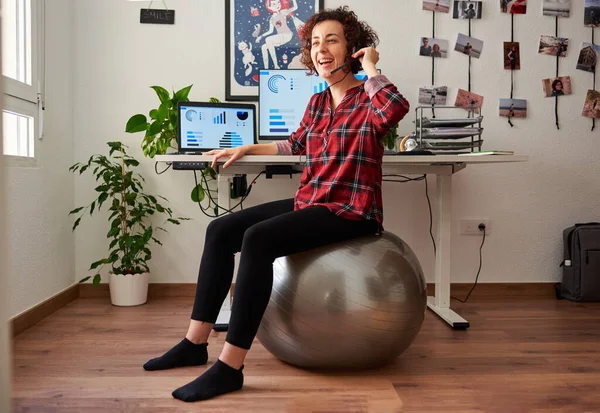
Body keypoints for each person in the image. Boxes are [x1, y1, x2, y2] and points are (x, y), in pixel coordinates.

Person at [142, 6, 410, 403]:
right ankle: (195, 343)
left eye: (332, 40)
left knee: (258, 239)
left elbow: (395, 109)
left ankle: (230, 367)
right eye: (315, 42)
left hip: (351, 210)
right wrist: (247, 147)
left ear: (352, 48)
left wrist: (371, 69)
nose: (321, 49)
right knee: (220, 230)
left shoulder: (370, 99)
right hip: (313, 200)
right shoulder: (318, 103)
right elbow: (296, 143)